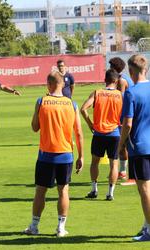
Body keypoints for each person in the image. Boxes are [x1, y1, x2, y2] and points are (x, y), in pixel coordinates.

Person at [24, 71, 84, 237]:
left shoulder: (41, 101)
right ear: (63, 84)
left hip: (46, 155)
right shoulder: (72, 104)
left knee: (40, 191)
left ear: (48, 84)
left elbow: (35, 127)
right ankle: (60, 228)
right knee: (63, 190)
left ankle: (34, 226)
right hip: (66, 154)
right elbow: (78, 132)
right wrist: (81, 156)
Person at [119, 54, 150, 241]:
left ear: (131, 71)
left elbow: (127, 124)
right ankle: (146, 224)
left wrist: (121, 144)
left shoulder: (131, 92)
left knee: (144, 189)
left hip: (139, 147)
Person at [81, 69, 122, 201]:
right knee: (114, 164)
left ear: (105, 80)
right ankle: (110, 193)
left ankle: (94, 189)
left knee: (95, 163)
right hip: (114, 133)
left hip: (99, 133)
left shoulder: (97, 92)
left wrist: (90, 124)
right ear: (115, 81)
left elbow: (83, 109)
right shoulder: (120, 95)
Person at [109, 57, 135, 184]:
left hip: (125, 115)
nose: (109, 68)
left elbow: (119, 99)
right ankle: (124, 172)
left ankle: (132, 176)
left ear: (115, 67)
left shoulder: (121, 80)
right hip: (125, 114)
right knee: (123, 145)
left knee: (126, 144)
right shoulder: (123, 77)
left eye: (111, 66)